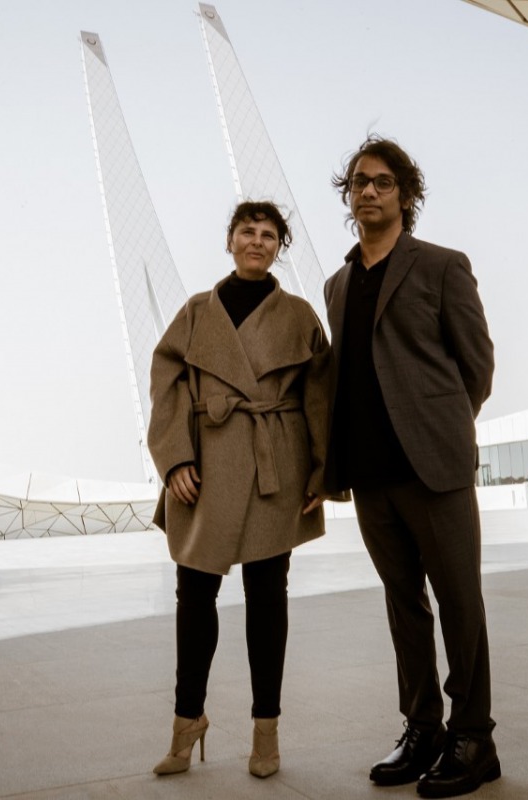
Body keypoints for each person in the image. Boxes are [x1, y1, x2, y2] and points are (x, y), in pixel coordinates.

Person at [323, 136, 498, 799]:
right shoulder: (337, 284)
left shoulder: (442, 265)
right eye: (359, 182)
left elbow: (476, 367)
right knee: (405, 606)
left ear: (406, 195)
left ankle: (475, 735)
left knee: (460, 603)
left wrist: (443, 427)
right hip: (370, 473)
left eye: (384, 182)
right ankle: (422, 726)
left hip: (434, 466)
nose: (369, 191)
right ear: (348, 195)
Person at [147, 200, 333, 779]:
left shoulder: (300, 314)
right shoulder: (196, 312)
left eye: (270, 234)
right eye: (247, 231)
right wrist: (175, 456)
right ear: (229, 240)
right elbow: (167, 382)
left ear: (281, 246)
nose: (258, 241)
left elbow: (320, 396)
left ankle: (266, 733)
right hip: (205, 465)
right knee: (193, 596)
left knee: (267, 597)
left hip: (273, 463)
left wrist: (321, 470)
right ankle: (187, 722)